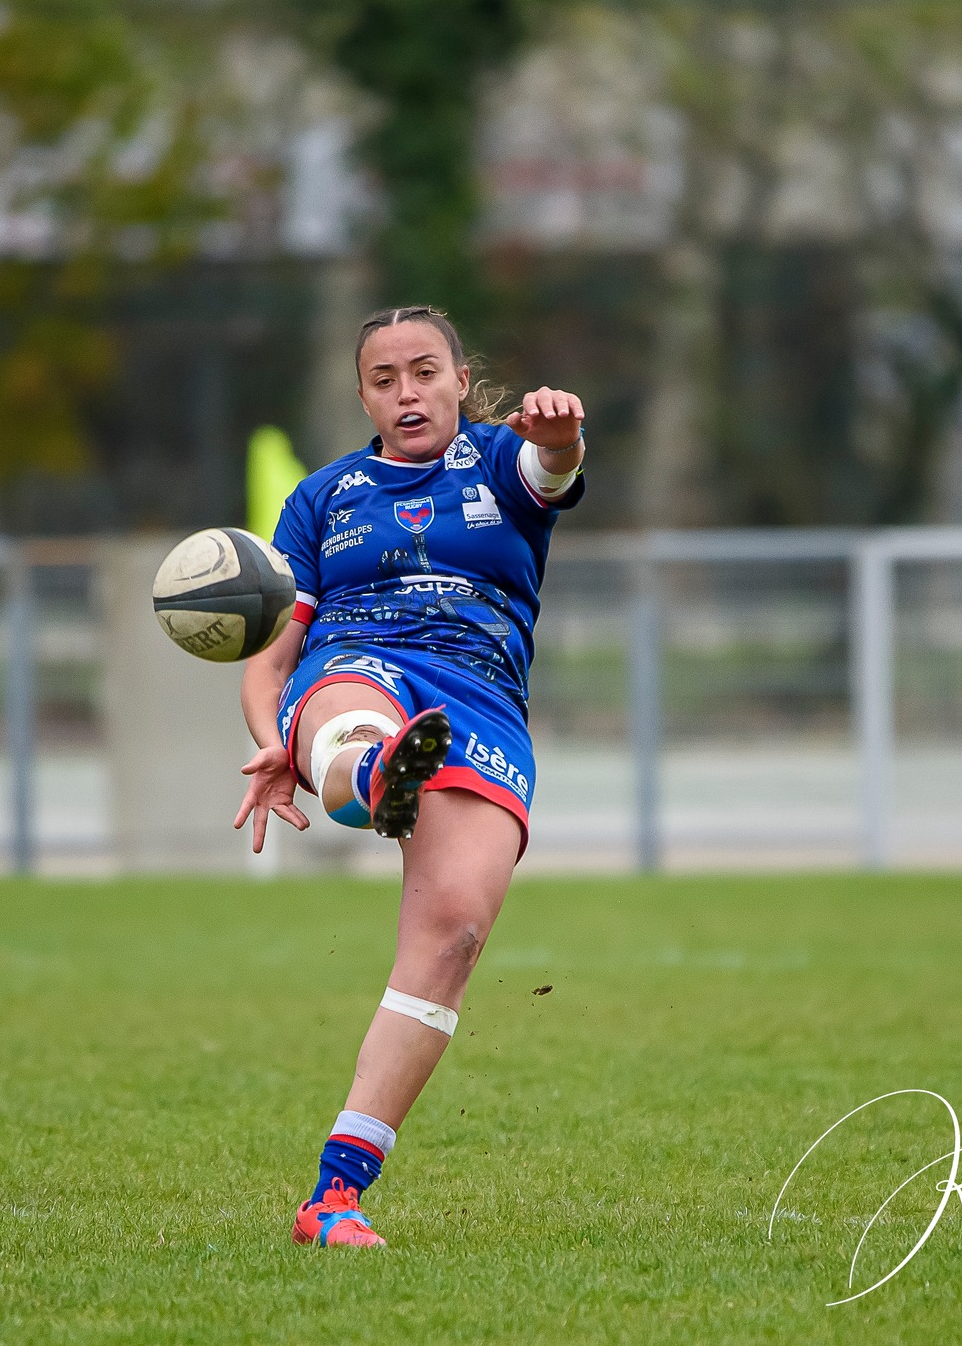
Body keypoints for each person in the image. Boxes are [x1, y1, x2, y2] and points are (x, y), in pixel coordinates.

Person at [236, 304, 586, 1247]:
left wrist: (561, 439)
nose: (407, 392)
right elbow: (272, 654)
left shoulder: (499, 462)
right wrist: (275, 738)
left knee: (456, 933)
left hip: (477, 703)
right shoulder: (322, 498)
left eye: (424, 372)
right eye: (384, 379)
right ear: (363, 395)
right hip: (355, 663)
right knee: (356, 717)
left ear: (460, 380)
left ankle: (333, 1197)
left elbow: (549, 471)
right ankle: (367, 766)